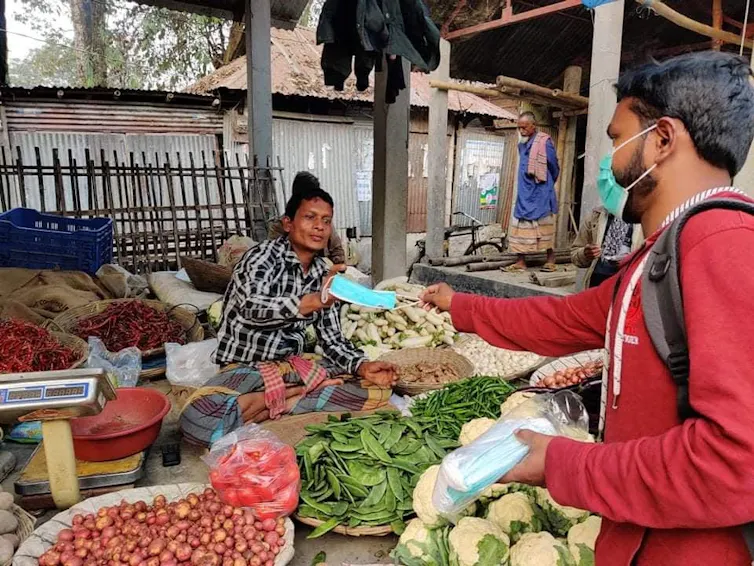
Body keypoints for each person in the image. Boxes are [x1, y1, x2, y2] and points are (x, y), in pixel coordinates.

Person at [420, 51, 754, 566]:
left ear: (662, 140)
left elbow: (734, 460)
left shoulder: (722, 244)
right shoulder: (663, 252)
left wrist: (565, 464)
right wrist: (459, 305)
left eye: (619, 139)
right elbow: (564, 319)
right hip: (639, 537)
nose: (612, 160)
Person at [181, 182, 397, 447]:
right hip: (249, 368)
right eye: (310, 217)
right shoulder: (262, 258)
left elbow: (331, 339)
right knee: (198, 419)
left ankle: (278, 401)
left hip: (294, 365)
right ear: (288, 224)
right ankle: (289, 398)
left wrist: (362, 366)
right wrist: (311, 302)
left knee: (379, 389)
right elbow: (252, 309)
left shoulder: (322, 273)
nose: (320, 226)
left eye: (326, 221)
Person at [505, 112, 560, 273]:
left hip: (541, 191)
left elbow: (554, 167)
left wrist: (547, 183)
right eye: (519, 128)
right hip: (524, 191)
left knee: (544, 224)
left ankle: (550, 259)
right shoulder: (521, 144)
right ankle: (521, 261)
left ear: (533, 126)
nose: (521, 131)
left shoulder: (544, 142)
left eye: (524, 127)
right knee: (521, 224)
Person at [268, 171, 346, 264]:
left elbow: (337, 250)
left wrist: (338, 267)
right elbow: (272, 256)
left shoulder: (323, 223)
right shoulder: (280, 226)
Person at [570, 207, 643, 291]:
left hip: (626, 284)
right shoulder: (596, 216)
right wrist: (585, 254)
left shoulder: (643, 218)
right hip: (597, 282)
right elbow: (575, 254)